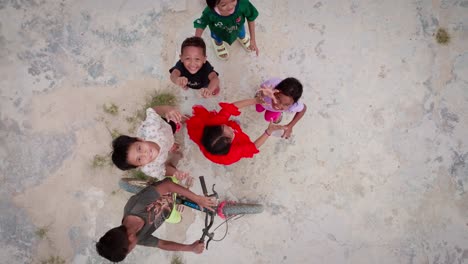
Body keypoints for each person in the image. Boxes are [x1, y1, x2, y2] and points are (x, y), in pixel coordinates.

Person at [96, 177, 217, 262]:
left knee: (174, 174)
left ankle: (168, 171)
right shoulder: (139, 239)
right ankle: (176, 202)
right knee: (177, 218)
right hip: (166, 213)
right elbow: (162, 244)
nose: (131, 250)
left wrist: (197, 198)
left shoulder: (136, 206)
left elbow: (169, 186)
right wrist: (189, 248)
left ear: (130, 237)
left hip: (169, 189)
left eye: (128, 251)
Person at [186, 92, 286, 165]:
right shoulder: (234, 152)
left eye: (225, 126)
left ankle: (186, 120)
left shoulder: (214, 123)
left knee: (194, 123)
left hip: (209, 134)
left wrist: (255, 101)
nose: (231, 128)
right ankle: (185, 120)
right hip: (220, 147)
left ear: (216, 127)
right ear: (230, 145)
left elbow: (231, 107)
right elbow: (253, 147)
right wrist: (268, 132)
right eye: (231, 133)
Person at [111, 105, 189, 180]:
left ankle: (178, 122)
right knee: (167, 144)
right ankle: (170, 145)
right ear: (139, 166)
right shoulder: (150, 168)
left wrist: (168, 109)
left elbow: (152, 110)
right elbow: (164, 170)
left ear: (140, 139)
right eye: (139, 159)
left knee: (174, 125)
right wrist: (175, 172)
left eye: (139, 148)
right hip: (166, 143)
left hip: (164, 129)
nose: (145, 154)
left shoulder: (151, 128)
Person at [194, 0, 259, 60]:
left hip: (238, 27)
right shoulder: (209, 12)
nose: (230, 7)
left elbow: (251, 17)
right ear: (213, 4)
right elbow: (201, 23)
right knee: (218, 39)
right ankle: (218, 44)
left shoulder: (243, 4)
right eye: (223, 5)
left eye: (233, 0)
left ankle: (242, 37)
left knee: (242, 34)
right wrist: (196, 42)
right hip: (218, 31)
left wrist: (252, 39)